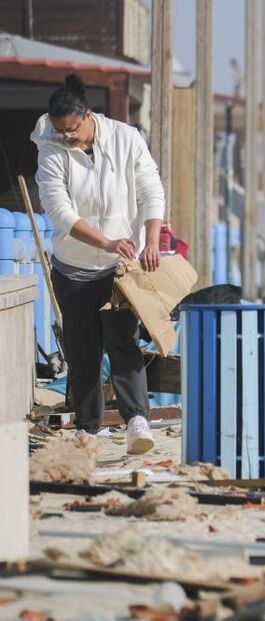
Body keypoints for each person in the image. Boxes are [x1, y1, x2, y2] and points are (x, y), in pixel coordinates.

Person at [33, 74, 165, 454]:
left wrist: (151, 240)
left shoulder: (126, 138)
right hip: (73, 269)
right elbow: (60, 213)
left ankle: (137, 419)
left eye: (72, 129)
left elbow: (150, 189)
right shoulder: (50, 150)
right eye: (60, 131)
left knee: (124, 341)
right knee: (82, 350)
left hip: (119, 270)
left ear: (88, 116)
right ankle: (87, 429)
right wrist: (106, 240)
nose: (66, 137)